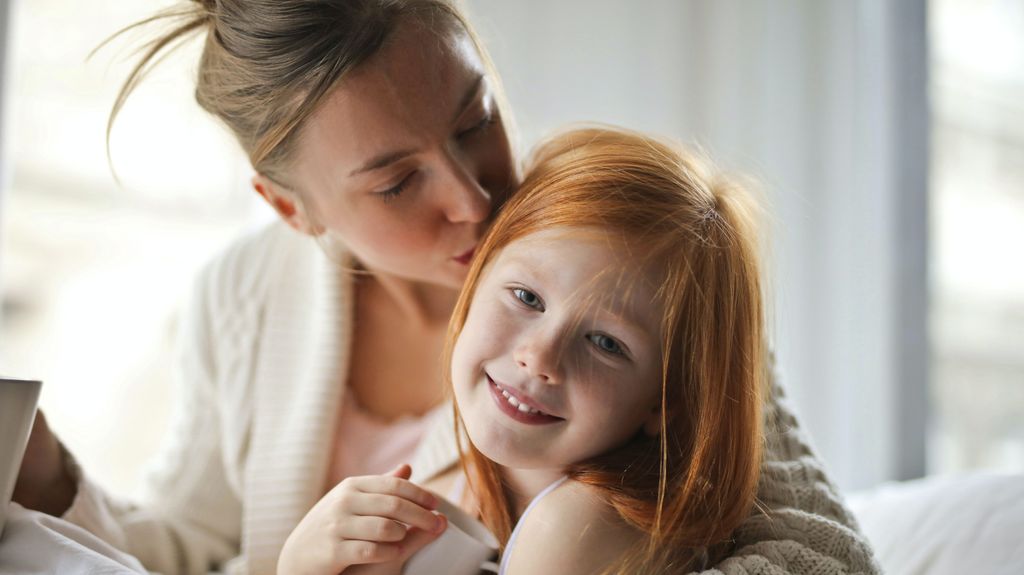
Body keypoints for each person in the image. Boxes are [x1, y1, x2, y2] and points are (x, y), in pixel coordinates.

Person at [12, 1, 879, 574]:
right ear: (289, 206)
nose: (474, 197)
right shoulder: (243, 294)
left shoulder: (629, 261)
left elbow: (821, 554)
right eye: (396, 184)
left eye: (476, 120)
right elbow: (195, 547)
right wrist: (45, 477)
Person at [276, 126, 882, 575]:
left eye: (606, 343)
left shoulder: (581, 530)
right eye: (525, 296)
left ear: (665, 401)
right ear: (475, 274)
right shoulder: (461, 503)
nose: (540, 357)